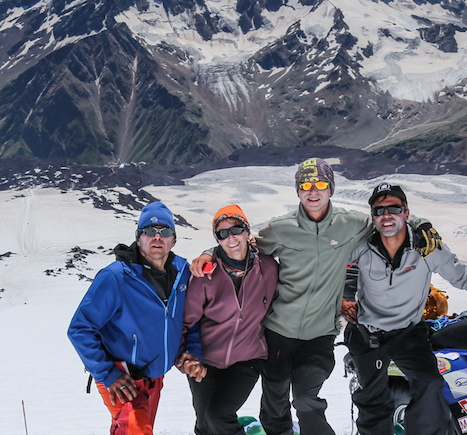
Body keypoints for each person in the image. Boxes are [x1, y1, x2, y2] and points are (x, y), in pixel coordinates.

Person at [190, 158, 443, 435]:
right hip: (278, 332)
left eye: (320, 184)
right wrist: (207, 252)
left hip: (319, 334)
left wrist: (421, 223)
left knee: (306, 400)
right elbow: (237, 244)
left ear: (331, 189)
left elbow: (387, 218)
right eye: (305, 185)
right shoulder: (280, 229)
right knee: (274, 405)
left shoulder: (350, 224)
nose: (313, 192)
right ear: (298, 191)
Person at [344, 183, 467, 435]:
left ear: (406, 213)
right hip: (368, 335)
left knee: (431, 384)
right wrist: (340, 302)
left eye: (394, 208)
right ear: (373, 217)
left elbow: (466, 278)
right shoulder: (360, 246)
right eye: (379, 211)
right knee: (372, 401)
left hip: (407, 334)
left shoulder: (427, 248)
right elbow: (324, 267)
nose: (386, 216)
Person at [68, 201, 195, 435]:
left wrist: (191, 351)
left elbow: (192, 319)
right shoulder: (116, 277)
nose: (157, 237)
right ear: (139, 239)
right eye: (149, 231)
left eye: (164, 231)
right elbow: (79, 328)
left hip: (154, 377)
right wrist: (108, 374)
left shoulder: (183, 274)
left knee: (137, 430)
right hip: (122, 377)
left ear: (174, 240)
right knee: (136, 430)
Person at [179, 205, 280, 435]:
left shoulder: (268, 268)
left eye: (236, 229)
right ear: (217, 240)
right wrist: (185, 358)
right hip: (206, 360)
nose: (231, 237)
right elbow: (187, 321)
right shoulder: (204, 275)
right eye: (223, 234)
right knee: (204, 423)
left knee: (218, 416)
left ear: (247, 232)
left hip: (249, 358)